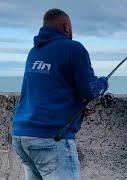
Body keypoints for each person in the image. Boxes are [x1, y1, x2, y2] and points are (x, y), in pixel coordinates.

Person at [11, 8, 108, 180]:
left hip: (21, 136)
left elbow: (46, 91)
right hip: (50, 139)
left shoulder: (34, 52)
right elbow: (89, 90)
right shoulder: (74, 48)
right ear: (66, 27)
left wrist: (75, 107)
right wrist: (103, 82)